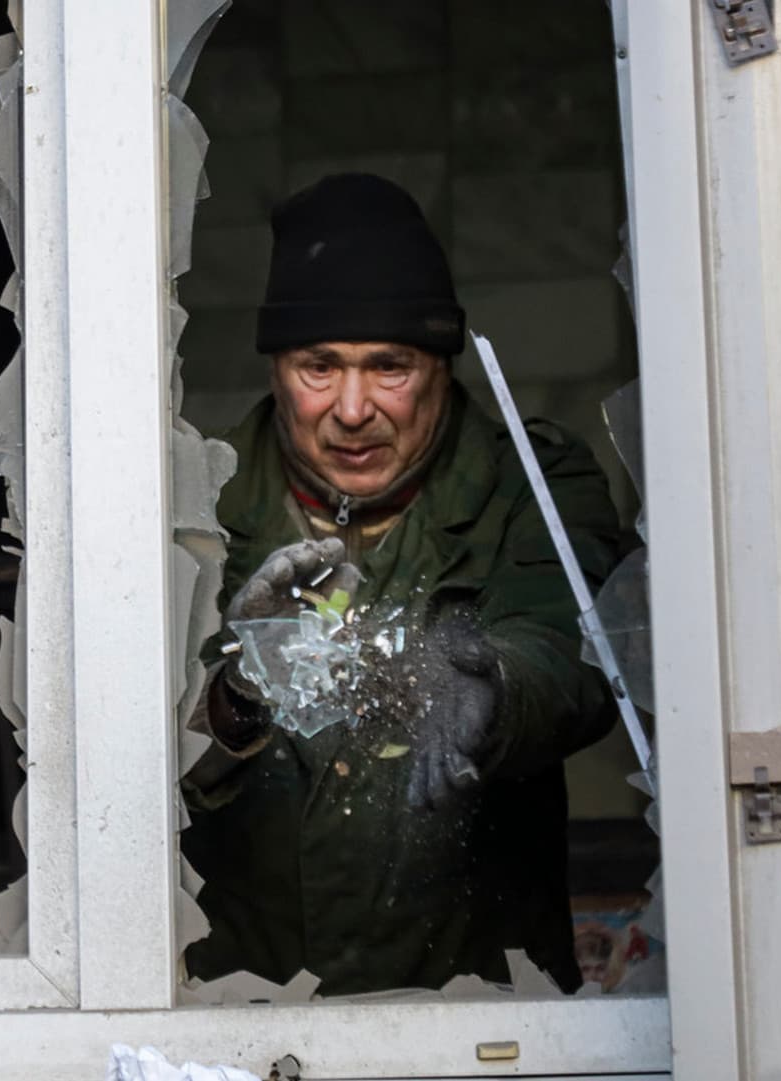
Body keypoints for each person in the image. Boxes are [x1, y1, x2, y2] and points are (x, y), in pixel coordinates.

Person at [181, 173, 624, 995]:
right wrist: (236, 690)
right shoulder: (188, 504)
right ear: (279, 367)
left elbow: (572, 647)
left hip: (476, 1021)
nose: (352, 408)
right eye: (320, 366)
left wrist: (492, 688)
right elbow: (111, 745)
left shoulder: (533, 484)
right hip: (241, 1015)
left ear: (441, 366)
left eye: (389, 366)